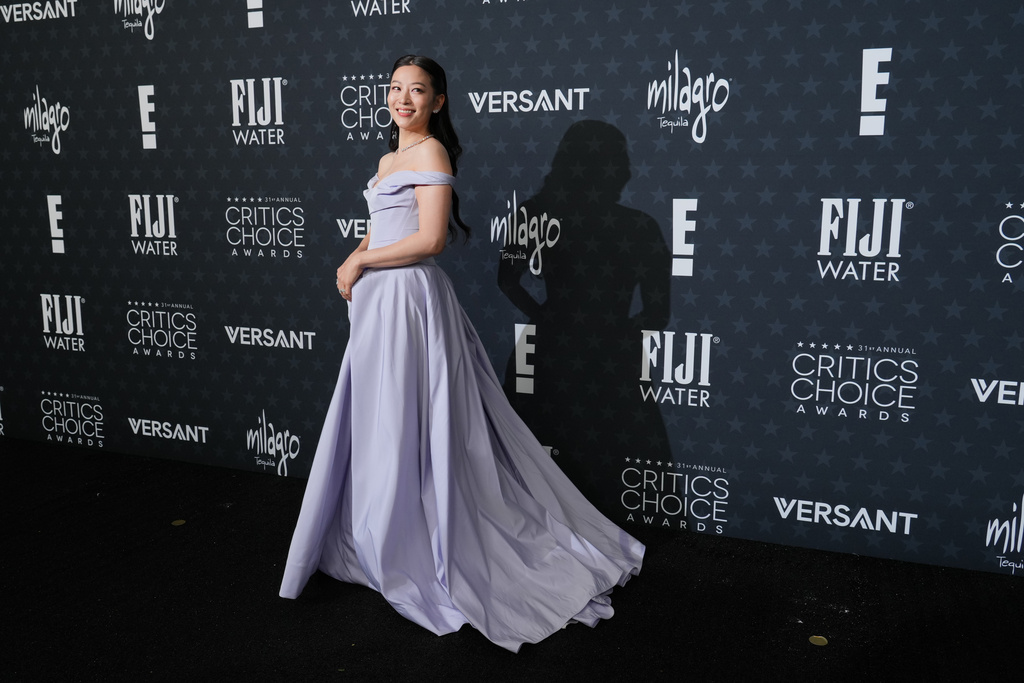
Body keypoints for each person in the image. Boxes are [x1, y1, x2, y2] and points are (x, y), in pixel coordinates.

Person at [279, 55, 645, 653]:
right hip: (377, 306)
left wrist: (361, 261)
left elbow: (429, 240)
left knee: (411, 421)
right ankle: (379, 537)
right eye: (396, 89)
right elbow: (383, 227)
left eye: (417, 91)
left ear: (438, 102)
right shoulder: (388, 159)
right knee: (379, 420)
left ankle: (417, 541)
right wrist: (358, 253)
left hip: (409, 303)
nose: (403, 99)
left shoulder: (430, 155)